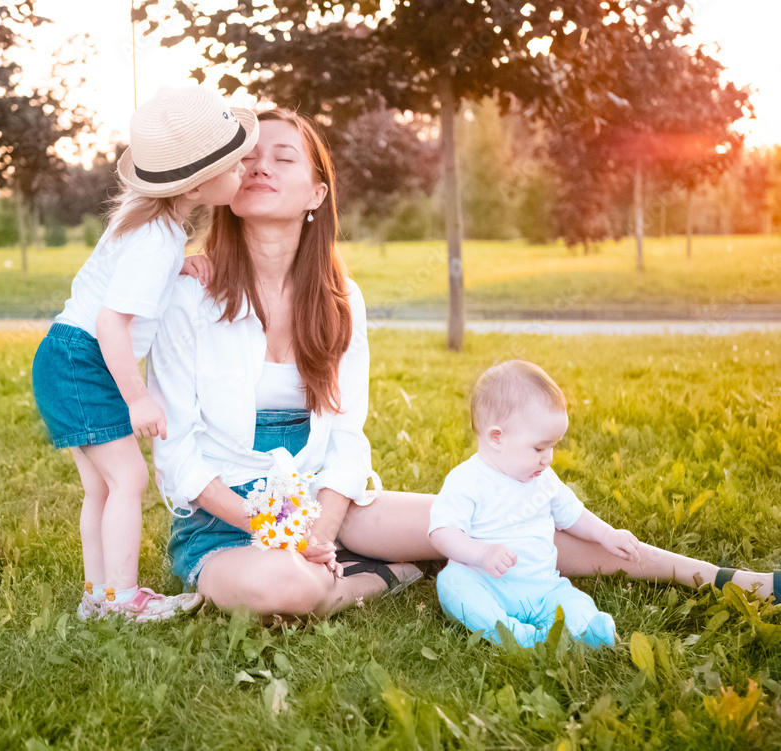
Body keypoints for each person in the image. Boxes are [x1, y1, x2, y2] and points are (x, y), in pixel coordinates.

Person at [149, 109, 781, 619]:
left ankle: (731, 580)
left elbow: (346, 435)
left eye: (282, 156)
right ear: (226, 185)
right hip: (223, 516)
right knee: (281, 591)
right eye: (248, 159)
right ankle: (384, 573)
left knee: (513, 520)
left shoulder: (340, 301)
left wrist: (325, 519)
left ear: (317, 192)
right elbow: (177, 453)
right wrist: (270, 524)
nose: (260, 167)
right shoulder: (188, 293)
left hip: (323, 498)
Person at [31, 86, 258, 622]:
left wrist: (177, 265)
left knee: (102, 486)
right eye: (236, 163)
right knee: (128, 481)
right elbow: (111, 322)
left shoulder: (152, 228)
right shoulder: (156, 240)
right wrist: (137, 397)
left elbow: (114, 280)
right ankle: (124, 599)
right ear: (200, 184)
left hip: (67, 355)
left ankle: (100, 595)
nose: (246, 168)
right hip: (85, 361)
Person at [429, 360, 639, 647]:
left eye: (553, 446)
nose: (548, 457)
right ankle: (509, 633)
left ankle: (587, 630)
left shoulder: (545, 480)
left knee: (573, 600)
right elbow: (442, 532)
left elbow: (573, 514)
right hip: (486, 583)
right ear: (496, 438)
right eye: (540, 447)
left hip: (543, 588)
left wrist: (606, 534)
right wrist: (481, 554)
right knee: (452, 583)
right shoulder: (467, 480)